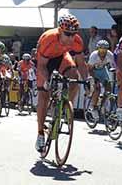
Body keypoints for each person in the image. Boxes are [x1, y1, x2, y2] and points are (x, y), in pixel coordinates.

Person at [34, 14, 88, 154]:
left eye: (73, 34)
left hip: (62, 56)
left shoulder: (77, 41)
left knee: (74, 77)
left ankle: (64, 107)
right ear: (59, 31)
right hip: (45, 61)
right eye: (67, 34)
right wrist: (48, 80)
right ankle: (40, 133)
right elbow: (41, 66)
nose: (71, 38)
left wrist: (88, 80)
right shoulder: (49, 39)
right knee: (44, 94)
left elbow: (81, 63)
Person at [87, 40, 116, 121]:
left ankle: (102, 105)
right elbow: (89, 68)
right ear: (98, 49)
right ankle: (93, 107)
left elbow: (113, 65)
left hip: (103, 70)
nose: (103, 52)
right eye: (101, 50)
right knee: (97, 88)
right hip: (93, 71)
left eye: (104, 50)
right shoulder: (94, 55)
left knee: (108, 88)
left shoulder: (110, 54)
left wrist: (115, 70)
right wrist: (94, 79)